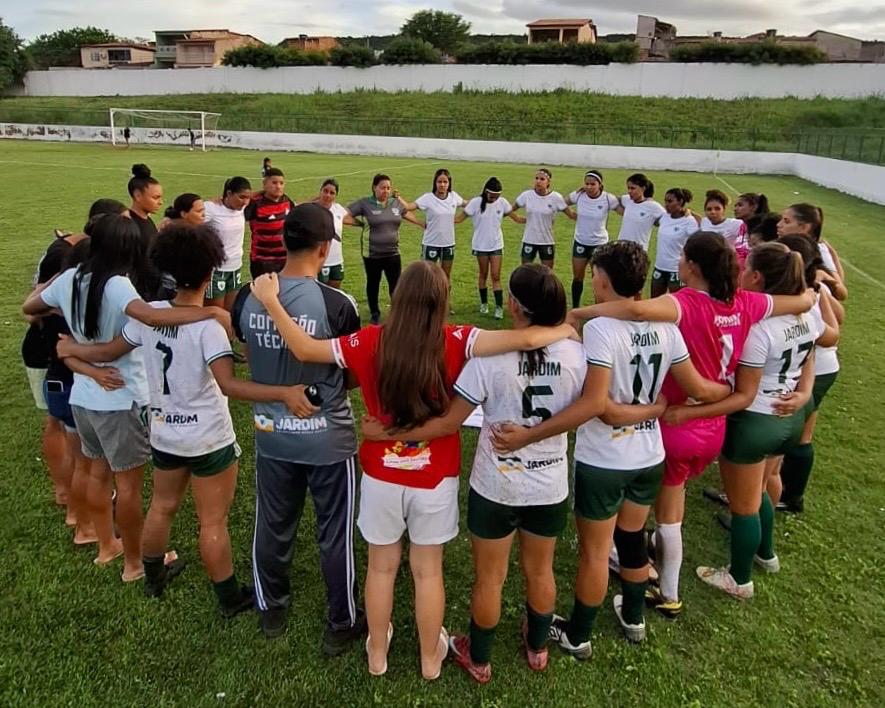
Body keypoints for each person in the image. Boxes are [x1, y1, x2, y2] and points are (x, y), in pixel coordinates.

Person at [249, 260, 574, 680]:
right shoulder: (459, 339)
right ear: (442, 302)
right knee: (427, 569)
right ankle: (429, 658)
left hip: (382, 476)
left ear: (398, 297)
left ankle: (378, 653)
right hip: (435, 477)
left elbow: (306, 349)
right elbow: (529, 336)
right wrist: (564, 330)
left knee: (381, 566)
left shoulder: (369, 341)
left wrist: (272, 301)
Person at [56, 222, 309, 617]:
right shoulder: (210, 326)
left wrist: (72, 348)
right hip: (208, 438)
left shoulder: (150, 313)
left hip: (164, 433)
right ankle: (228, 598)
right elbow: (228, 386)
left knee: (162, 506)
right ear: (210, 273)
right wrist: (283, 393)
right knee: (212, 521)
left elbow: (109, 350)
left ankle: (153, 577)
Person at [492, 241, 730, 656]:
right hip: (649, 457)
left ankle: (579, 635)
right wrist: (725, 390)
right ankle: (634, 616)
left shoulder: (601, 330)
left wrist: (530, 435)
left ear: (602, 279)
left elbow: (600, 409)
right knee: (633, 538)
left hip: (605, 461)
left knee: (596, 553)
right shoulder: (668, 329)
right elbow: (696, 389)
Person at [360, 265, 586, 683]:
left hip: (496, 485)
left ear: (515, 306)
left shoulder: (490, 357)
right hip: (549, 482)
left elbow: (448, 423)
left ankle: (479, 657)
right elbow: (590, 406)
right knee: (541, 571)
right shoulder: (577, 353)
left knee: (491, 578)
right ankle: (537, 648)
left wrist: (386, 431)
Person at [571, 232, 815, 617]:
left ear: (693, 267)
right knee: (669, 504)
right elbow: (801, 300)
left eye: (683, 256)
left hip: (677, 418)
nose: (679, 261)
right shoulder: (747, 302)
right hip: (715, 423)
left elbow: (634, 311)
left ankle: (667, 590)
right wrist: (810, 297)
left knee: (666, 515)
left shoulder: (684, 303)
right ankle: (640, 561)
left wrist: (580, 314)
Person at [23, 213, 232, 583]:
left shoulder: (72, 277)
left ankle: (104, 542)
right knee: (129, 486)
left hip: (84, 395)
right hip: (119, 395)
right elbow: (151, 318)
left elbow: (30, 307)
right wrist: (212, 312)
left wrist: (69, 337)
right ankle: (134, 564)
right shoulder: (117, 284)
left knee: (94, 471)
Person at [232, 204, 366, 655]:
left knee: (271, 524)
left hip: (272, 433)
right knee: (336, 533)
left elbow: (248, 351)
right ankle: (341, 621)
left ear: (284, 241)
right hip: (328, 438)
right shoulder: (338, 303)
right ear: (325, 247)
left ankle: (271, 607)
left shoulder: (246, 296)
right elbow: (351, 374)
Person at [684, 243, 830, 600]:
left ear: (757, 277)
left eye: (745, 267)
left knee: (744, 505)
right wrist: (804, 393)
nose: (740, 273)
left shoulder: (760, 326)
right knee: (761, 488)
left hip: (755, 422)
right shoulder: (806, 313)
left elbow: (743, 396)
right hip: (791, 416)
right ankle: (767, 553)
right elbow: (812, 356)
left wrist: (688, 412)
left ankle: (739, 579)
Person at [20, 199, 128, 531]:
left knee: (84, 462)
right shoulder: (81, 284)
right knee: (91, 464)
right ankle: (84, 522)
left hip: (66, 375)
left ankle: (77, 518)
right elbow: (32, 314)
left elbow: (32, 305)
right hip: (68, 377)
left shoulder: (71, 286)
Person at [775, 234, 843, 513]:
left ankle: (784, 497)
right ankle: (789, 496)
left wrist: (817, 296)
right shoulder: (808, 290)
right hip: (813, 366)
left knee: (791, 438)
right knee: (799, 434)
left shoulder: (804, 293)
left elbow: (833, 332)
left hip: (813, 368)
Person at [348, 173, 423, 325]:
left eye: (388, 188)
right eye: (382, 187)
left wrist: (421, 223)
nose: (386, 191)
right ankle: (374, 313)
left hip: (393, 253)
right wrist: (360, 224)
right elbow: (344, 215)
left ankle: (397, 313)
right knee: (373, 282)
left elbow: (406, 213)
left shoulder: (395, 203)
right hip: (372, 254)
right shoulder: (365, 203)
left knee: (396, 285)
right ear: (374, 187)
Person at [460, 177, 520, 320]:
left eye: (497, 196)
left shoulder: (503, 203)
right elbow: (458, 218)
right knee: (483, 274)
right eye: (492, 196)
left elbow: (516, 218)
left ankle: (499, 307)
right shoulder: (475, 203)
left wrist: (533, 218)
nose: (494, 198)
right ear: (486, 192)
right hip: (480, 245)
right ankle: (484, 303)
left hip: (496, 245)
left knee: (495, 276)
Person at [565, 170, 621, 308]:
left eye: (593, 184)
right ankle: (576, 307)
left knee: (598, 278)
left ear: (600, 184)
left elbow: (625, 211)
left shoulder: (608, 198)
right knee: (578, 276)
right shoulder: (579, 195)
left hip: (600, 244)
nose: (589, 187)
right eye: (587, 184)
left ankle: (599, 309)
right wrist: (570, 214)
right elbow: (560, 202)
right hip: (581, 242)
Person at [398, 168, 466, 280]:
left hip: (448, 244)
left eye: (445, 182)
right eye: (439, 182)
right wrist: (398, 198)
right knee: (427, 277)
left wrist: (461, 217)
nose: (442, 185)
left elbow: (468, 205)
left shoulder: (454, 197)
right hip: (431, 243)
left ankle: (444, 297)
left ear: (449, 183)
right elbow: (408, 207)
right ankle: (425, 298)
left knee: (445, 276)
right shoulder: (427, 198)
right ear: (435, 183)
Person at [777, 203, 848, 301]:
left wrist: (824, 275)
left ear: (804, 228)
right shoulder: (783, 243)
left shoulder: (819, 250)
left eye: (786, 221)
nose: (779, 225)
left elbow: (842, 293)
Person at [204, 177, 252, 311]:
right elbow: (189, 217)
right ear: (229, 194)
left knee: (231, 312)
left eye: (248, 198)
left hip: (235, 267)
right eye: (241, 197)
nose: (245, 202)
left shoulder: (243, 208)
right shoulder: (212, 208)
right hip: (216, 269)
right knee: (216, 314)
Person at [511, 168, 573, 269]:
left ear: (548, 182)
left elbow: (571, 214)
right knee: (526, 271)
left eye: (542, 179)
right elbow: (510, 209)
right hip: (529, 239)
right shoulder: (526, 195)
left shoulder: (556, 197)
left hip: (547, 241)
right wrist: (516, 218)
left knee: (547, 273)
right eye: (536, 178)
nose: (538, 181)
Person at [127, 164, 168, 300]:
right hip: (139, 294)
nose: (160, 202)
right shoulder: (128, 225)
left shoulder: (147, 220)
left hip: (153, 289)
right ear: (138, 196)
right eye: (155, 197)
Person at [246, 167, 296, 279]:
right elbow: (236, 208)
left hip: (285, 260)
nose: (278, 186)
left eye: (281, 183)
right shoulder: (255, 204)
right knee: (263, 294)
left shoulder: (287, 201)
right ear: (264, 184)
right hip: (262, 261)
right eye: (274, 183)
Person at [651, 188, 699, 298]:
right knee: (655, 300)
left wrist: (690, 212)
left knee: (678, 302)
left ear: (680, 202)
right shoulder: (664, 217)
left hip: (676, 269)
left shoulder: (689, 221)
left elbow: (696, 241)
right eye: (665, 201)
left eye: (670, 201)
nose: (666, 204)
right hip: (659, 267)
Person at [317, 178, 359, 290]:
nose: (328, 195)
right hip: (319, 261)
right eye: (325, 191)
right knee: (320, 294)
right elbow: (295, 206)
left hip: (337, 261)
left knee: (335, 293)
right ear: (320, 191)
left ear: (335, 196)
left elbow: (353, 221)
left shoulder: (338, 209)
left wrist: (367, 223)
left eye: (332, 193)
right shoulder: (312, 209)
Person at [616, 173, 666, 252]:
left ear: (643, 188)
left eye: (633, 188)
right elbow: (612, 200)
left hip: (638, 251)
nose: (629, 191)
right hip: (621, 248)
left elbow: (669, 219)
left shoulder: (653, 206)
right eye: (628, 188)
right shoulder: (627, 200)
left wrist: (687, 212)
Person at [701, 190, 749, 266]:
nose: (713, 212)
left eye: (717, 209)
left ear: (724, 210)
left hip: (727, 266)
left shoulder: (735, 224)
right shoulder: (704, 222)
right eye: (709, 209)